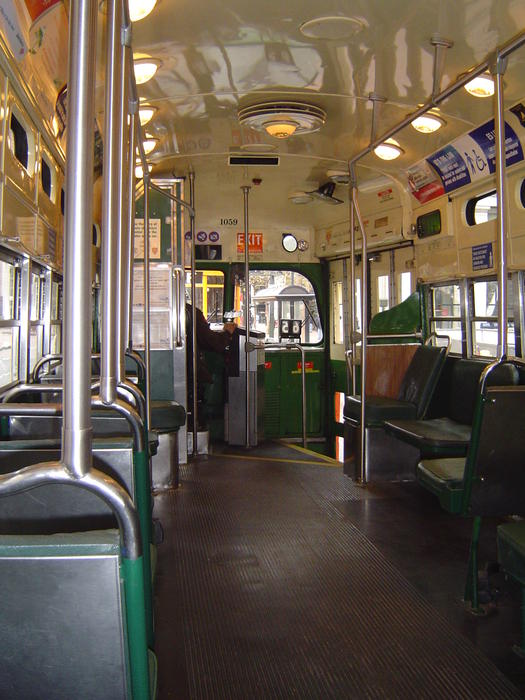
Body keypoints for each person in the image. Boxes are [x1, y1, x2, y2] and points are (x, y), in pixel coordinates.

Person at [185, 303, 236, 428]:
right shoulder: (191, 313)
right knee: (194, 405)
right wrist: (227, 333)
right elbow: (212, 342)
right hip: (190, 371)